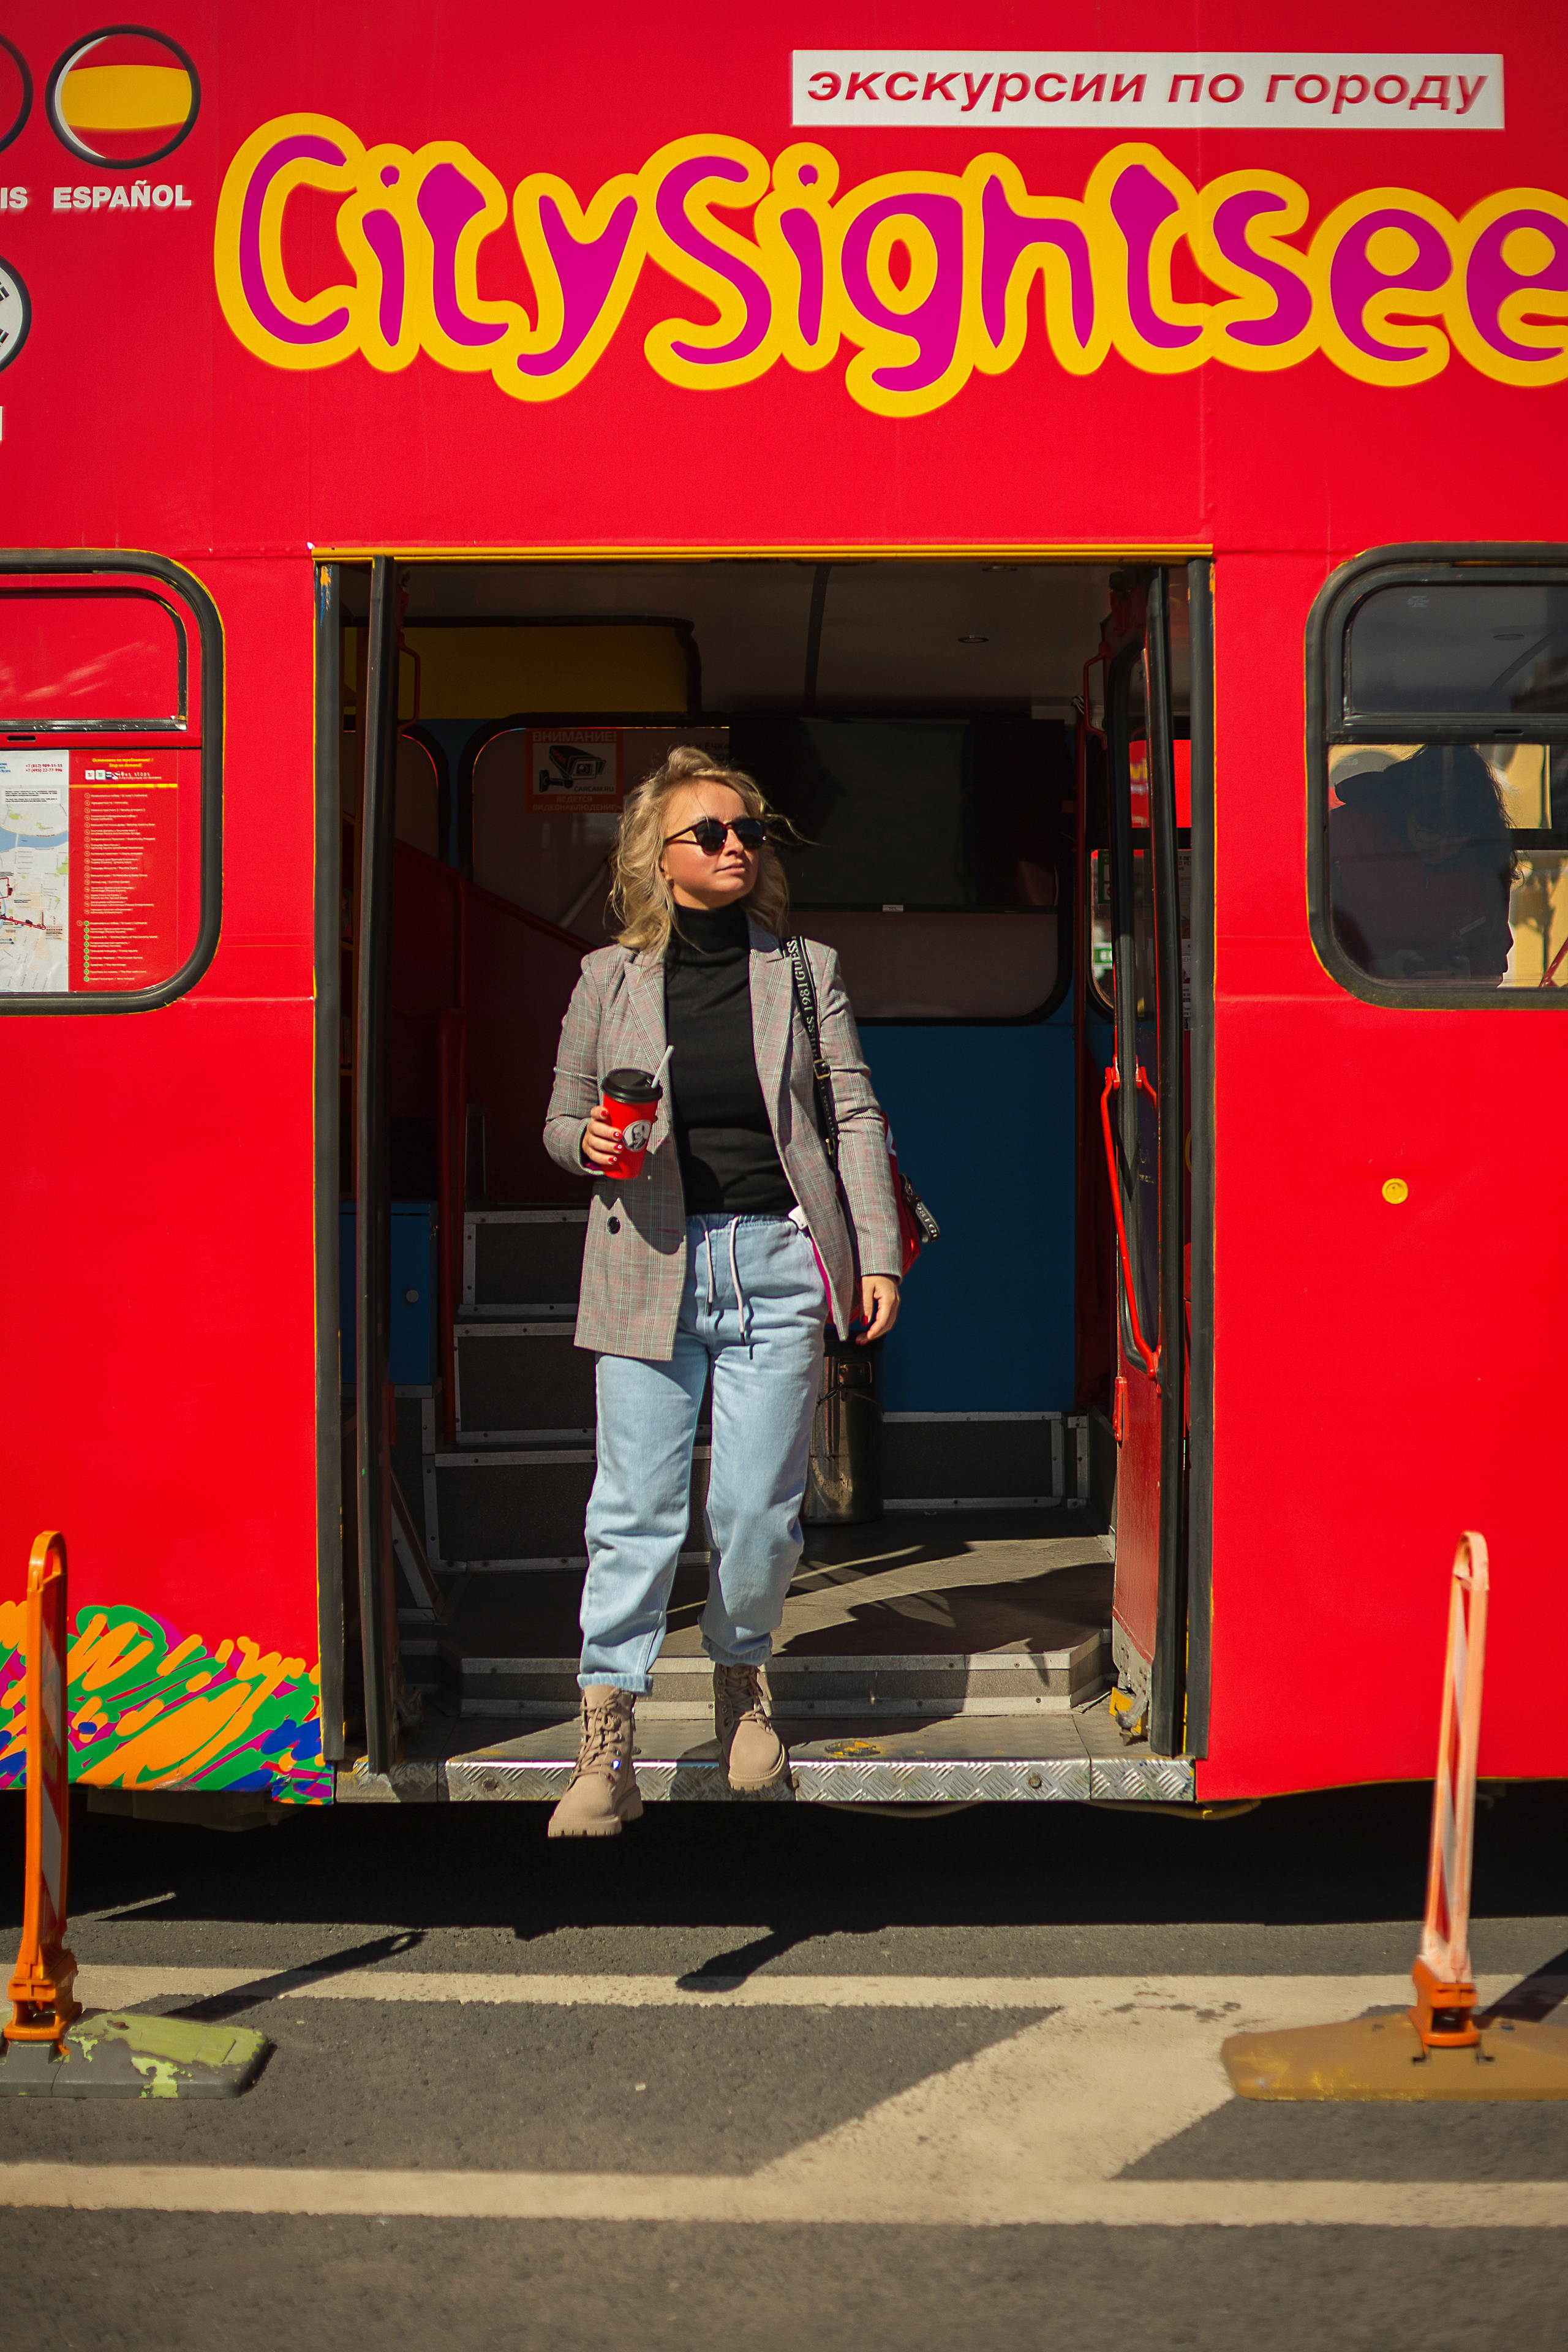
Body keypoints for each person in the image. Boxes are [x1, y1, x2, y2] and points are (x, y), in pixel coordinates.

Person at [541, 746, 903, 1836]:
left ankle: (743, 1679)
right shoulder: (605, 977)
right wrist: (593, 1141)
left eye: (748, 831)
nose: (737, 845)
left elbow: (852, 1118)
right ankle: (608, 1738)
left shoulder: (803, 968)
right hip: (643, 1263)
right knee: (634, 1514)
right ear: (660, 858)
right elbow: (558, 1124)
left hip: (775, 1261)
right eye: (712, 833)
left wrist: (874, 1250)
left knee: (755, 1511)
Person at [1330, 744, 1515, 982]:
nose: (1441, 847)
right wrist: (1374, 970)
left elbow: (1493, 954)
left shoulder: (1485, 851)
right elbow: (1308, 945)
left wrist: (1472, 976)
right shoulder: (1348, 833)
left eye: (1457, 837)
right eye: (1429, 831)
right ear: (1405, 808)